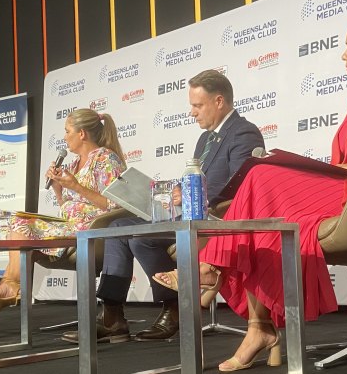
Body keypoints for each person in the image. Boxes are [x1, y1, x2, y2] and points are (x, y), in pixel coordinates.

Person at [153, 6, 347, 371]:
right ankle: (257, 324)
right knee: (264, 192)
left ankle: (214, 270)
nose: (344, 54)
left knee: (261, 179)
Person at [62, 69, 265, 344]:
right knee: (118, 227)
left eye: (197, 105)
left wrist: (193, 196)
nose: (192, 112)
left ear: (219, 101)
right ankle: (112, 316)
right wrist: (177, 190)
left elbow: (240, 185)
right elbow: (198, 176)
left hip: (214, 218)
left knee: (139, 238)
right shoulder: (205, 138)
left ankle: (174, 307)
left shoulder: (243, 132)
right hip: (187, 213)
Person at [0, 108, 127, 342]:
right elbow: (69, 206)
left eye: (67, 131)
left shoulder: (106, 158)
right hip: (70, 226)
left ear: (82, 134)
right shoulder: (76, 162)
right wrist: (60, 190)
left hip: (92, 230)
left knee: (22, 228)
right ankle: (2, 296)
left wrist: (75, 186)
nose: (64, 136)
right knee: (19, 223)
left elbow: (115, 205)